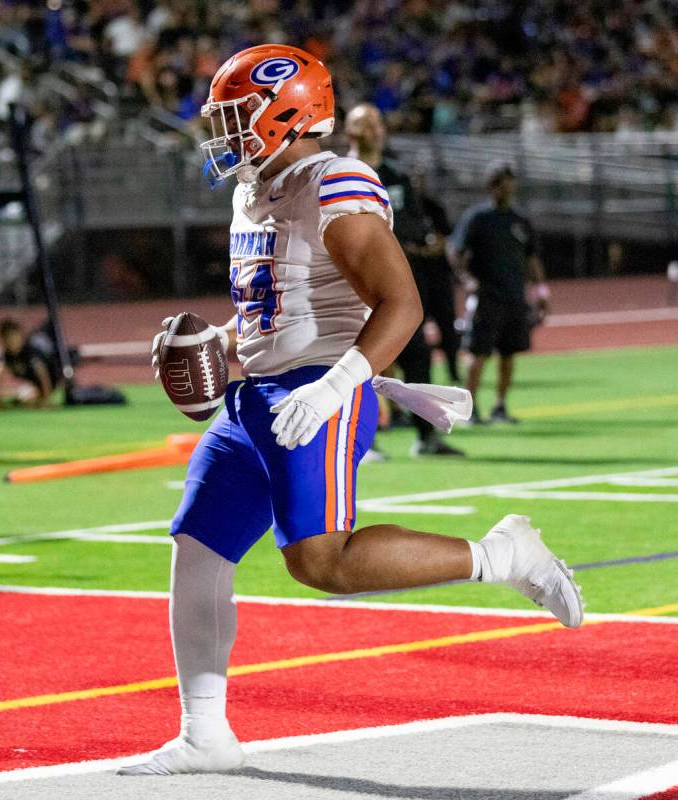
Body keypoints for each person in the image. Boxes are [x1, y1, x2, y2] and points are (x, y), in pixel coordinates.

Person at [118, 45, 582, 778]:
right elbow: (276, 309)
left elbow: (402, 304)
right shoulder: (253, 187)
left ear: (287, 112)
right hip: (257, 395)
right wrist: (222, 339)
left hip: (318, 390)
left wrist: (337, 387)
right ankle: (204, 732)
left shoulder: (333, 182)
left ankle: (502, 555)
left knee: (320, 563)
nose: (225, 132)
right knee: (199, 547)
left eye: (238, 115)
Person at [344, 102, 462, 457]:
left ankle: (426, 436)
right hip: (355, 286)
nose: (375, 130)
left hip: (396, 284)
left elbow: (413, 222)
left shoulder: (395, 176)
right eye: (366, 124)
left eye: (378, 122)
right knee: (359, 362)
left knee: (418, 357)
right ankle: (361, 443)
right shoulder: (340, 173)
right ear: (350, 132)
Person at [448, 161, 550, 424]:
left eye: (509, 184)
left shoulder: (520, 220)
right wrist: (467, 279)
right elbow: (455, 252)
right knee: (478, 352)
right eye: (501, 184)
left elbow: (532, 258)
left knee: (509, 352)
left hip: (515, 296)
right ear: (492, 187)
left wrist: (541, 292)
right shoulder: (478, 218)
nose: (507, 189)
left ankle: (500, 406)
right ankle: (469, 408)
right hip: (487, 296)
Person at [0, 318, 60, 407]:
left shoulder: (31, 352)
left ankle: (30, 397)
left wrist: (46, 400)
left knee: (28, 399)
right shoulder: (5, 355)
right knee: (5, 395)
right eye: (7, 338)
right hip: (33, 386)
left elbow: (43, 375)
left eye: (14, 337)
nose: (11, 341)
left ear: (20, 336)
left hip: (50, 382)